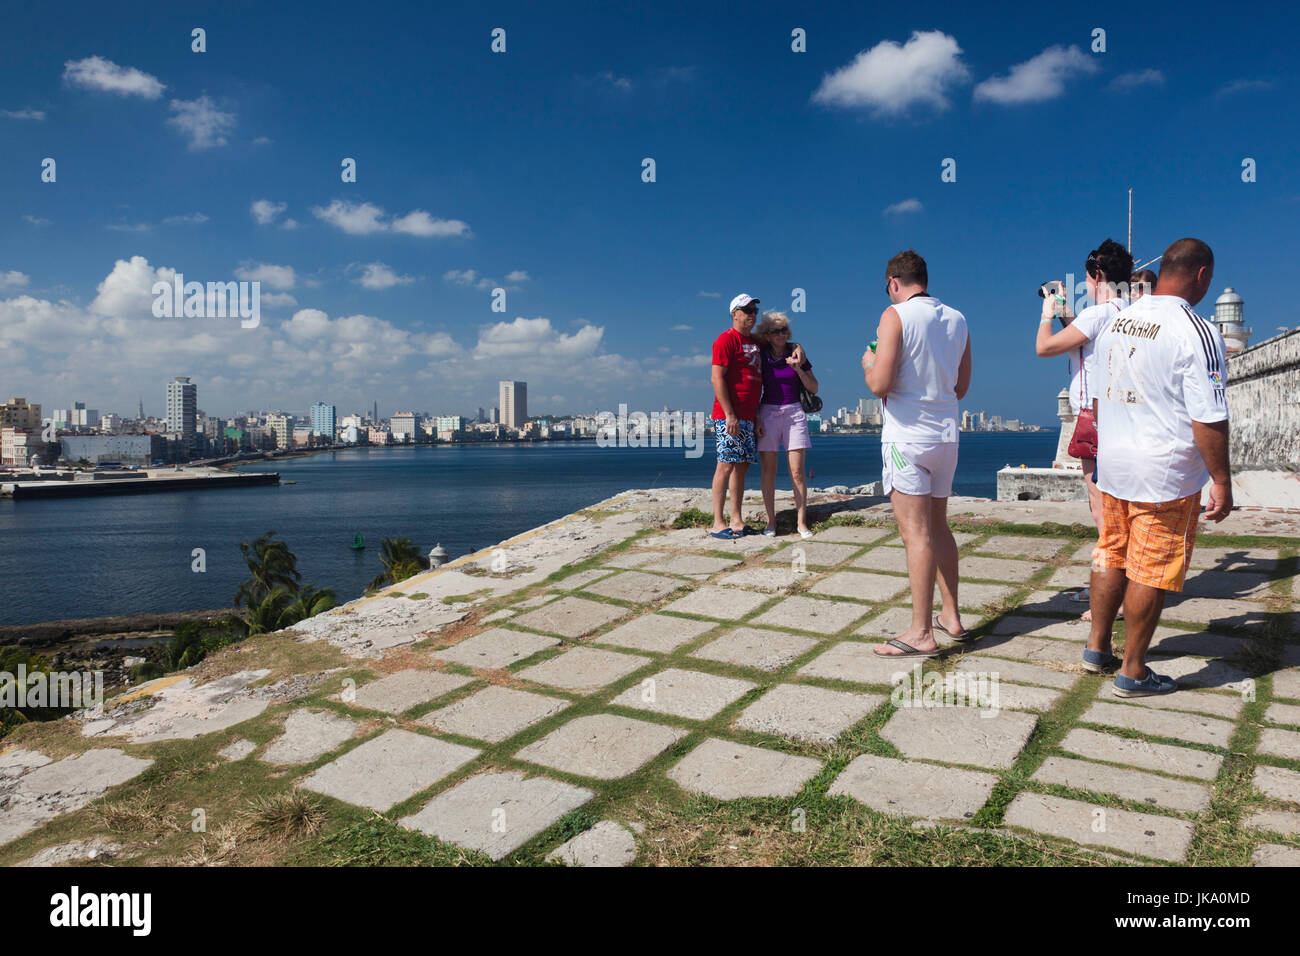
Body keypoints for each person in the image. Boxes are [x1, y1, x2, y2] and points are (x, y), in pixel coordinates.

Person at [1087, 238, 1232, 696]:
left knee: (1111, 551)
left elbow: (1098, 393)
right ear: (1202, 276)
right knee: (1150, 569)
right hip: (1163, 473)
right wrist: (1222, 479)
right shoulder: (1198, 330)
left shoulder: (1118, 320)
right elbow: (1208, 416)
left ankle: (1096, 648)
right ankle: (1132, 671)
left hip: (1114, 464)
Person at [864, 250, 972, 658]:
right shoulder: (958, 319)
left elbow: (880, 384)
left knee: (916, 535)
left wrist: (868, 362)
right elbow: (961, 387)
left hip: (907, 437)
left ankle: (920, 632)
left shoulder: (895, 316)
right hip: (946, 436)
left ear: (894, 282)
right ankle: (952, 616)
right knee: (940, 527)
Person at [1036, 239, 1133, 624]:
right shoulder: (1131, 310)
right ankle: (1121, 588)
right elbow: (1086, 340)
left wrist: (1047, 312)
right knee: (1123, 510)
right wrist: (1069, 316)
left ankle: (1112, 598)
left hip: (1094, 420)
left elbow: (1044, 348)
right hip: (1125, 417)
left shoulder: (1097, 313)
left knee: (1104, 514)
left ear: (1096, 276)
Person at [753, 311, 819, 538]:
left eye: (784, 330)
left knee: (798, 472)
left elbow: (814, 387)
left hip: (794, 413)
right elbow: (753, 388)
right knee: (768, 472)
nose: (781, 334)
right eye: (775, 331)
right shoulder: (761, 355)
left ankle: (801, 523)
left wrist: (798, 368)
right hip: (768, 413)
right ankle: (771, 522)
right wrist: (756, 417)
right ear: (767, 335)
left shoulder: (796, 353)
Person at [709, 294, 764, 539]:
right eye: (746, 309)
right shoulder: (725, 340)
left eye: (754, 309)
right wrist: (730, 415)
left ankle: (736, 519)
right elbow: (717, 377)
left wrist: (756, 416)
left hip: (749, 416)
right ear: (734, 313)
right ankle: (718, 522)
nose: (752, 314)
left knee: (741, 467)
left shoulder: (755, 342)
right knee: (726, 465)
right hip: (729, 416)